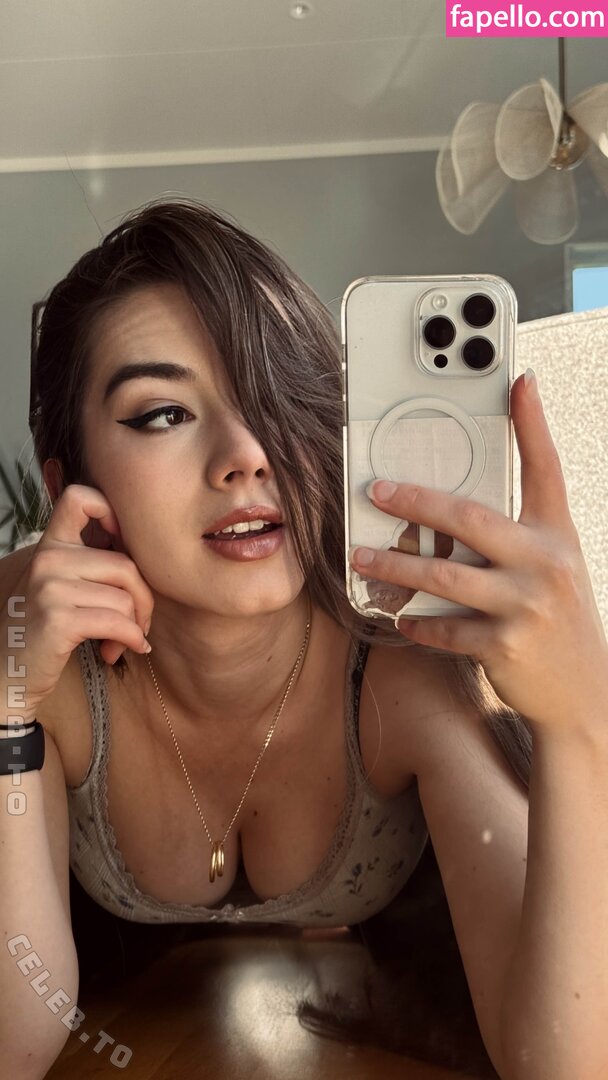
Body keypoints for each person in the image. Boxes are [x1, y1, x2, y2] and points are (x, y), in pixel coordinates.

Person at [1, 197, 607, 1080]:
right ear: (68, 487)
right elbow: (13, 1044)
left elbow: (565, 1062)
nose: (246, 454)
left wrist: (582, 716)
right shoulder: (28, 641)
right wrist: (7, 706)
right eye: (163, 413)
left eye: (273, 396)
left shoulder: (402, 658)